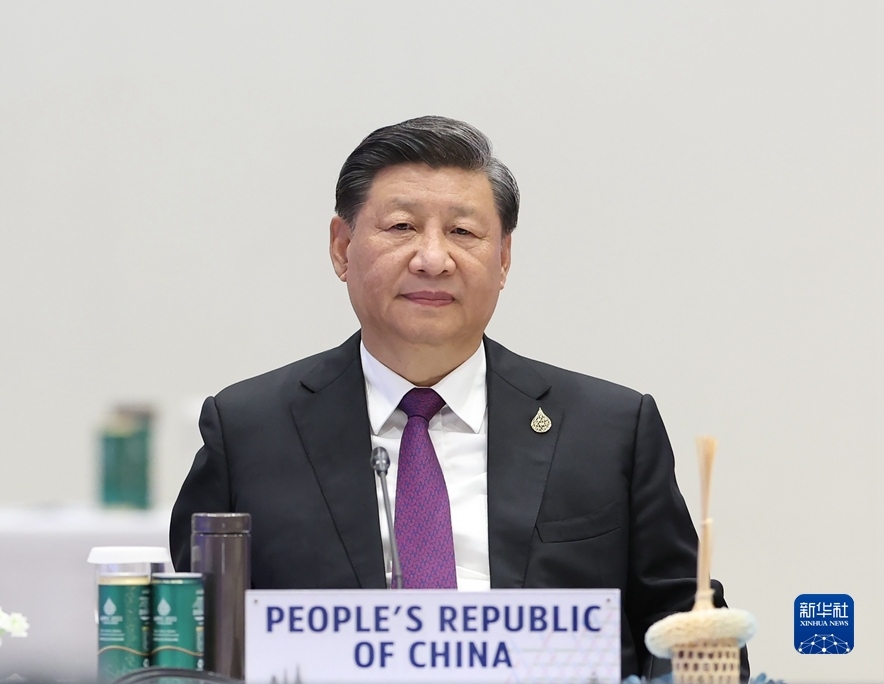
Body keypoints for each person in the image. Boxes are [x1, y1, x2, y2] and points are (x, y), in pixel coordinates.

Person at [170, 115, 747, 679]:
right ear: (342, 247)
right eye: (401, 227)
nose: (433, 259)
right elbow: (189, 646)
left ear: (504, 258)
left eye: (463, 233)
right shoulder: (249, 432)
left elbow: (690, 626)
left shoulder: (609, 430)